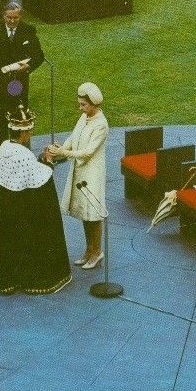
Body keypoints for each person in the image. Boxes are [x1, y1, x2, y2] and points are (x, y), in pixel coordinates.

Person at [0, 105, 72, 295]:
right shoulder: (24, 155)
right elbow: (40, 180)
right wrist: (48, 160)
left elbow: (22, 173)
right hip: (22, 210)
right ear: (25, 134)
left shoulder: (3, 147)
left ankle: (8, 279)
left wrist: (40, 159)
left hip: (5, 207)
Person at [47, 83, 110, 269]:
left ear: (94, 104)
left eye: (83, 104)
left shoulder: (101, 124)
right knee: (84, 213)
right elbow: (73, 139)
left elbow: (88, 152)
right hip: (79, 169)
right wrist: (60, 149)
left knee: (93, 213)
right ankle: (89, 250)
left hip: (92, 172)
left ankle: (97, 252)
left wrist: (64, 153)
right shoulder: (84, 117)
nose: (80, 108)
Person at [0, 3, 45, 148]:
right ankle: (2, 164)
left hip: (18, 85)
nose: (12, 21)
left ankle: (24, 162)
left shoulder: (28, 30)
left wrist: (29, 66)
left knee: (21, 124)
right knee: (0, 124)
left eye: (15, 18)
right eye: (8, 17)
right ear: (3, 16)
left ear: (20, 16)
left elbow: (39, 56)